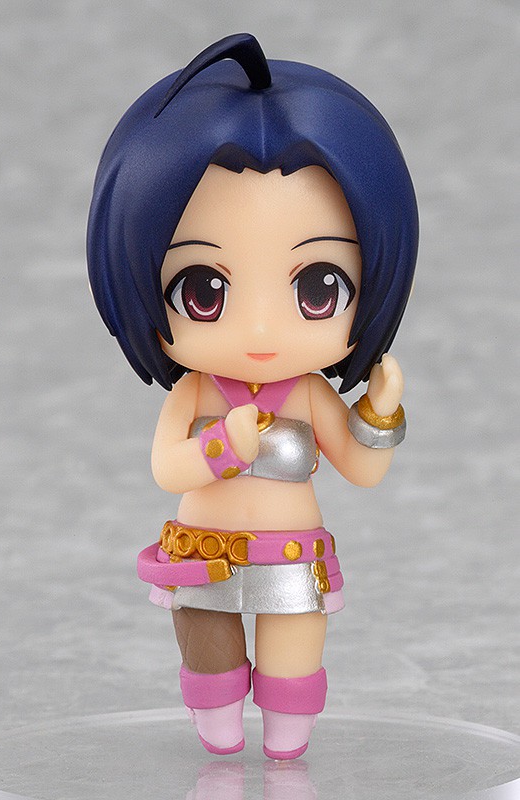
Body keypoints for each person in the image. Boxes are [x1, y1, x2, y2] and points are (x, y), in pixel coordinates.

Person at [87, 33, 418, 759]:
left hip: (293, 557)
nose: (262, 331)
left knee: (294, 656)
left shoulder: (308, 394)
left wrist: (381, 408)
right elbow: (166, 468)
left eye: (317, 287)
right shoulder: (197, 390)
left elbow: (362, 468)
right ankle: (218, 737)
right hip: (202, 557)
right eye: (203, 291)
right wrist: (221, 446)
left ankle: (291, 742)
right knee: (208, 661)